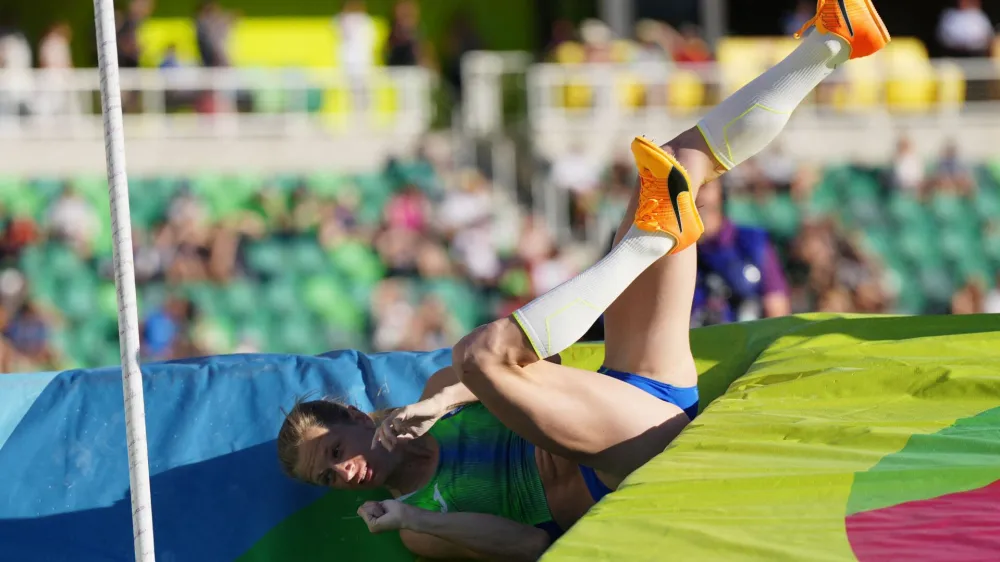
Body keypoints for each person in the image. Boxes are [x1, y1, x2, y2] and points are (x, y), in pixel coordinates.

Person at [277, 2, 890, 560]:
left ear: (357, 416)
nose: (344, 472)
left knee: (670, 170)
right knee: (481, 355)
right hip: (623, 465)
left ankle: (832, 43)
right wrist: (419, 518)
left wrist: (438, 402)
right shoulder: (413, 527)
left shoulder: (437, 393)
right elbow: (526, 547)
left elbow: (494, 381)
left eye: (335, 452)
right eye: (327, 478)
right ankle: (645, 244)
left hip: (636, 391)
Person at [692, 180, 791, 326]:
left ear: (721, 192)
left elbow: (777, 308)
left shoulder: (752, 243)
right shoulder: (672, 252)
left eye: (704, 186)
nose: (696, 195)